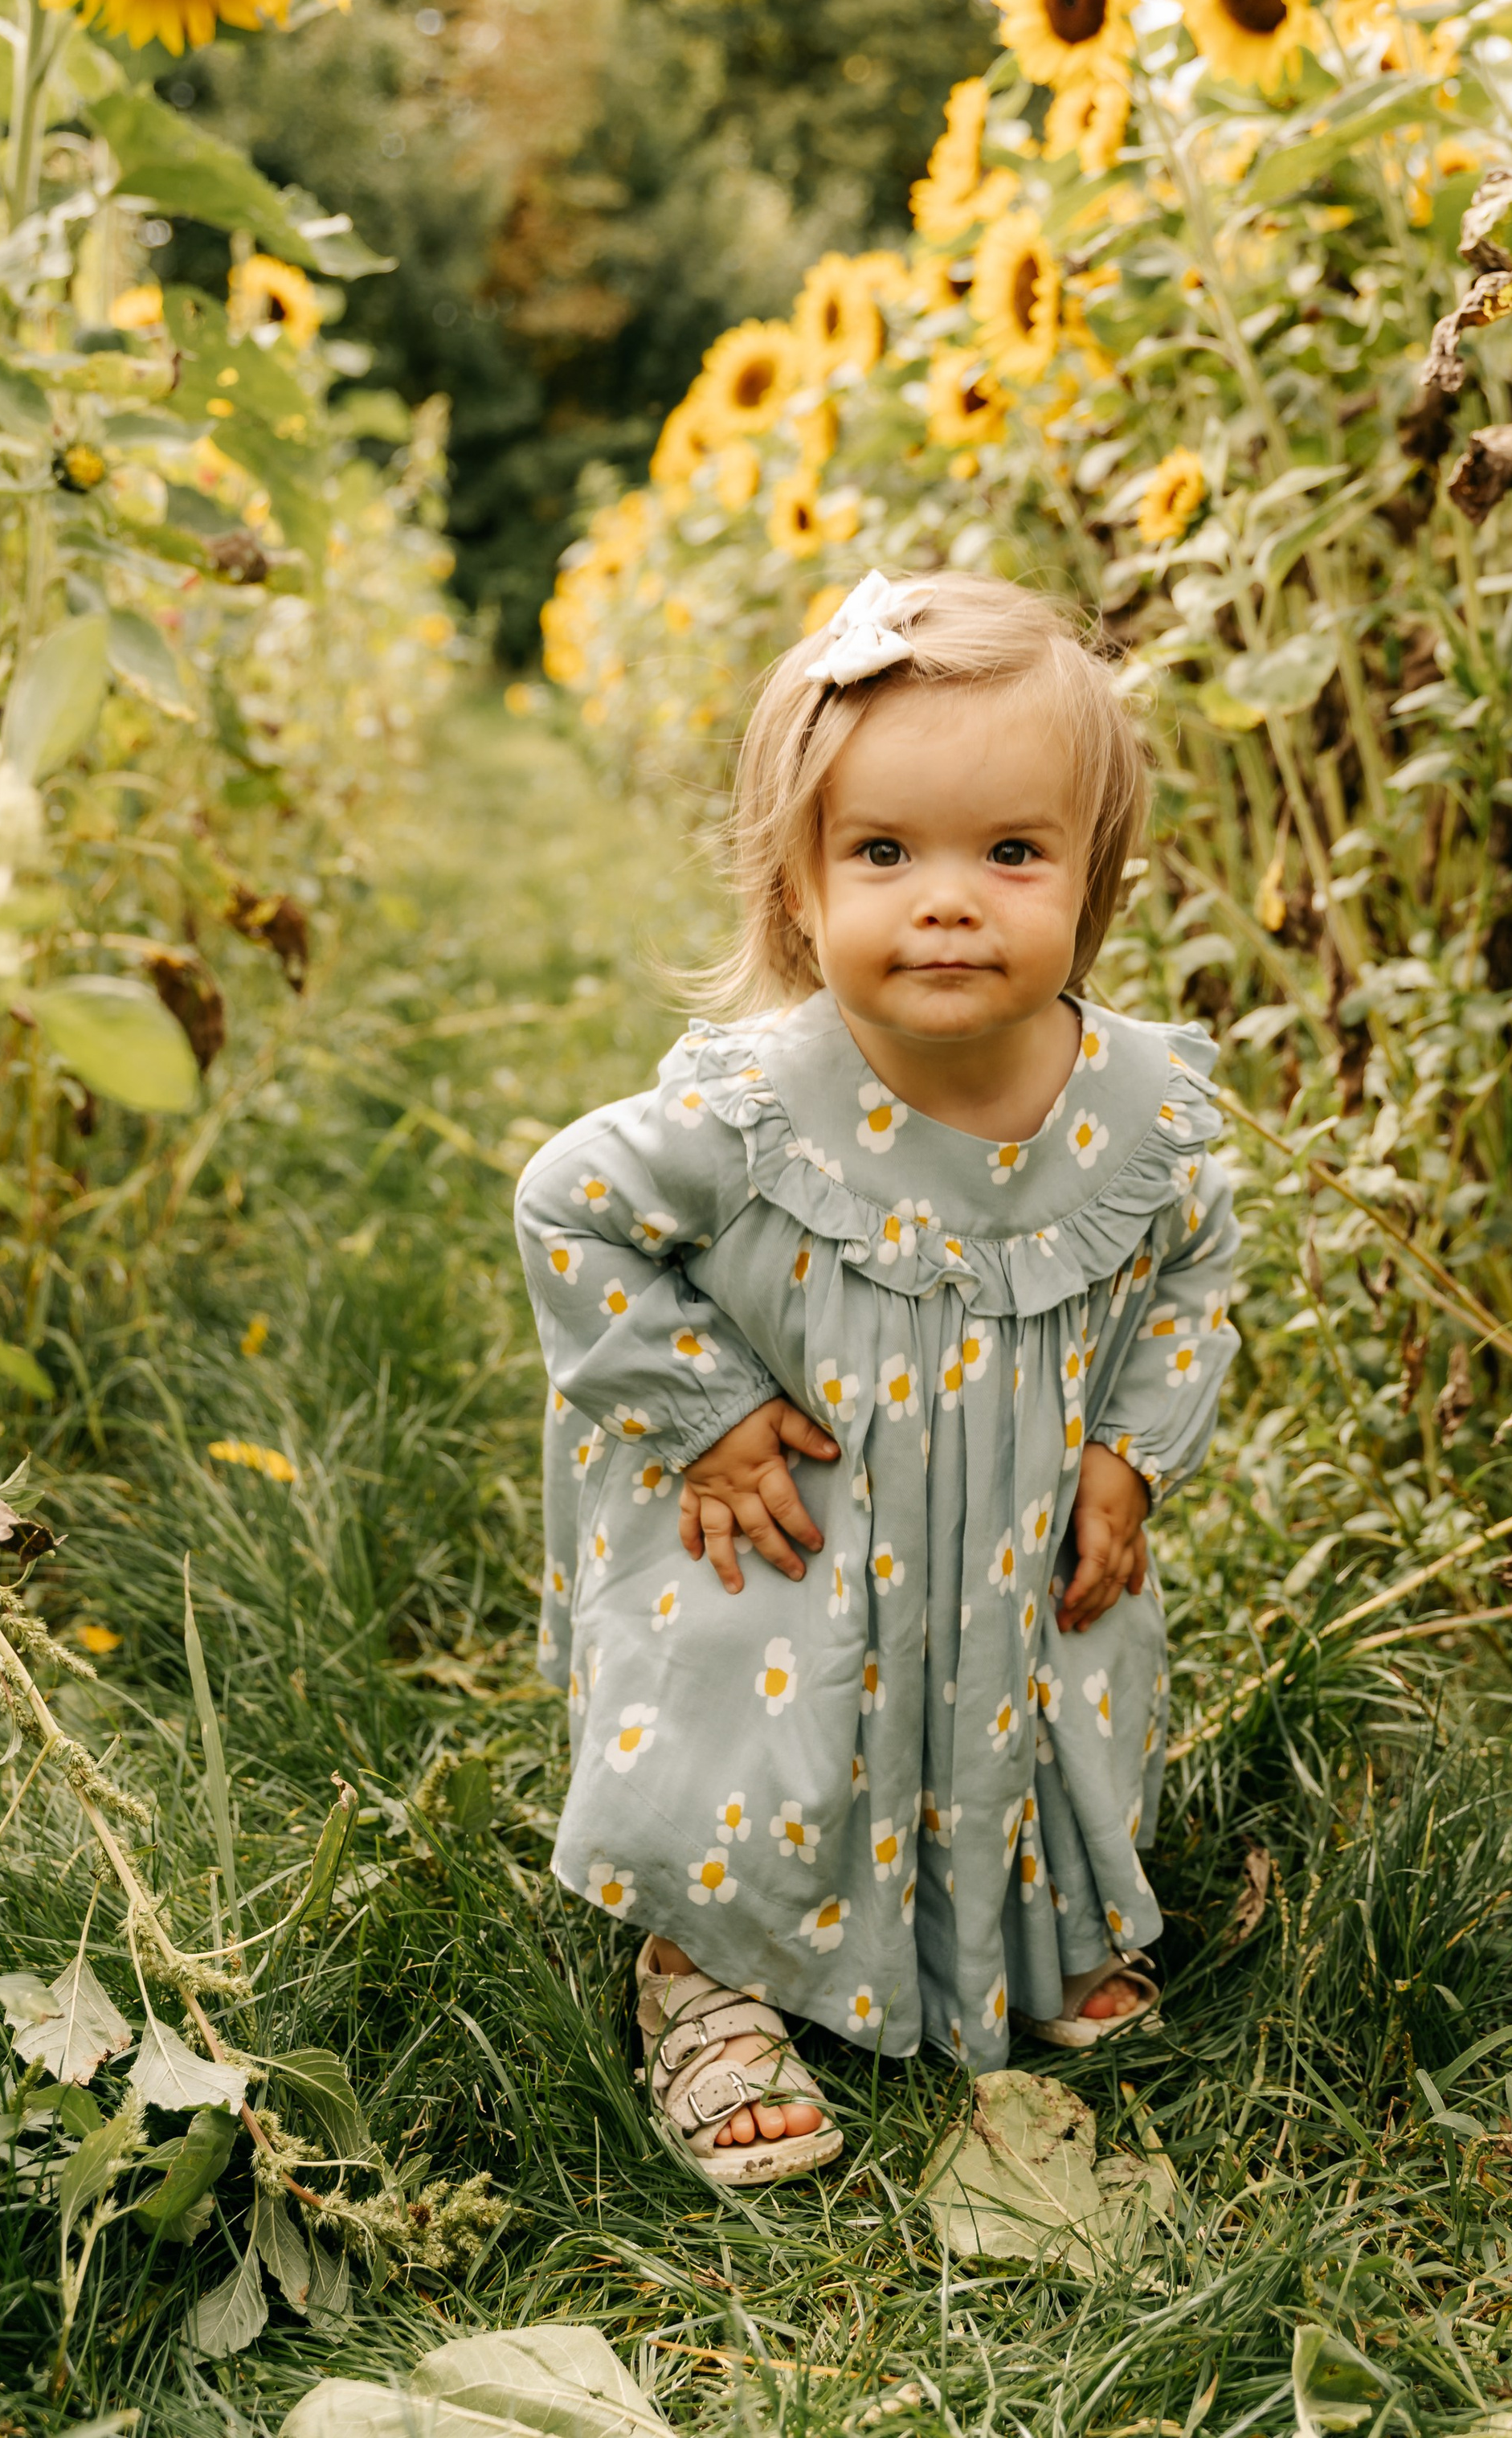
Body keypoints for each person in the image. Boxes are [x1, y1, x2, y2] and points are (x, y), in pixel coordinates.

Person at [514, 571, 1240, 2185]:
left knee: (1042, 1701)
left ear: (1092, 874)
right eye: (883, 852)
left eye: (1010, 851)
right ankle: (707, 1974)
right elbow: (566, 1209)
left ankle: (1020, 1917)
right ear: (796, 883)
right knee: (762, 1741)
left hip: (1013, 1526)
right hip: (794, 1517)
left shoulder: (1135, 1108)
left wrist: (1127, 1448)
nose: (948, 900)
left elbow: (1195, 1266)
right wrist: (699, 1409)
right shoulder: (752, 1108)